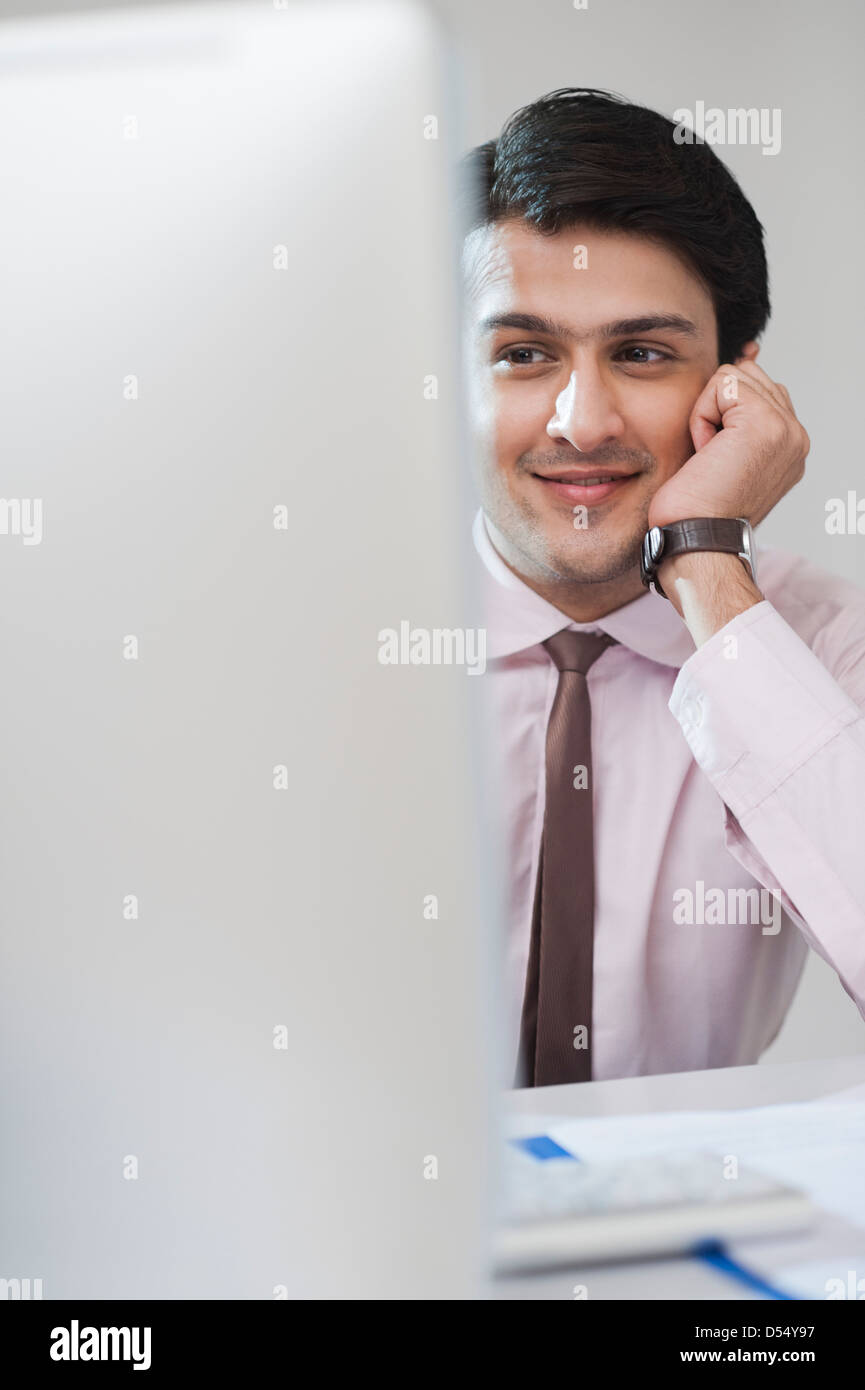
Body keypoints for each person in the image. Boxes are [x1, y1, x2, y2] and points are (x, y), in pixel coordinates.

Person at [460, 87, 865, 1088]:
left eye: (641, 354)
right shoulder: (308, 644)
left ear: (737, 388)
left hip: (694, 1231)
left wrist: (707, 566)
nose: (582, 420)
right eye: (522, 354)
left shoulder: (819, 641)